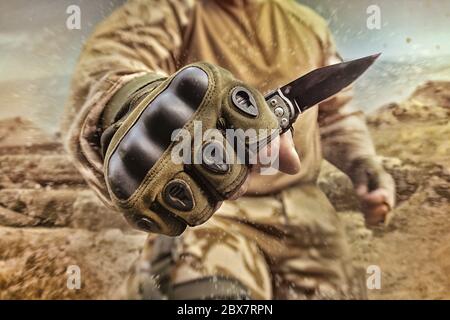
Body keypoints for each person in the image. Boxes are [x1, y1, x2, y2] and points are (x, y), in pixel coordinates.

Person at [62, 0, 395, 299]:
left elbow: (336, 116)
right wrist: (135, 104)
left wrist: (361, 163)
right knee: (197, 293)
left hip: (311, 218)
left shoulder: (309, 25)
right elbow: (108, 69)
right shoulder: (167, 10)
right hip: (211, 216)